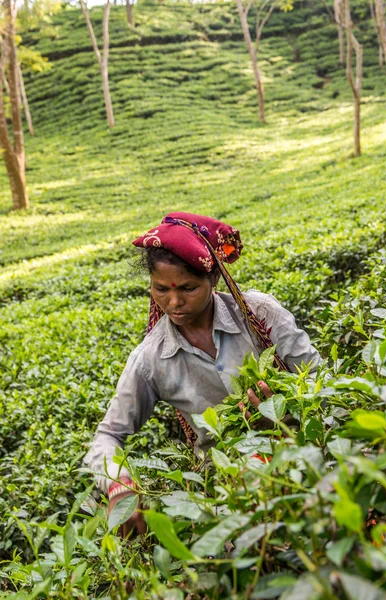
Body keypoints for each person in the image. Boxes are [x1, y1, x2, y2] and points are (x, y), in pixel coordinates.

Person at [84, 212, 320, 535]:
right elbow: (108, 436)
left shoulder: (259, 315)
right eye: (160, 289)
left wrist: (284, 409)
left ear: (214, 280)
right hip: (228, 496)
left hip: (303, 459)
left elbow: (321, 380)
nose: (174, 301)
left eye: (188, 288)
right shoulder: (151, 358)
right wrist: (118, 484)